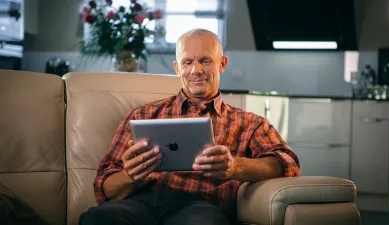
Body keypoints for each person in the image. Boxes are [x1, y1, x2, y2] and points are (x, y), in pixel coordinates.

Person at [79, 28, 300, 225]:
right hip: (139, 203)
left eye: (205, 60)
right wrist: (129, 175)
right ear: (177, 68)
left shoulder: (250, 123)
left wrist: (235, 167)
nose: (196, 70)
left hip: (201, 207)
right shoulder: (143, 115)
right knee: (96, 219)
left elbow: (287, 164)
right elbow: (103, 186)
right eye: (187, 62)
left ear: (222, 64)